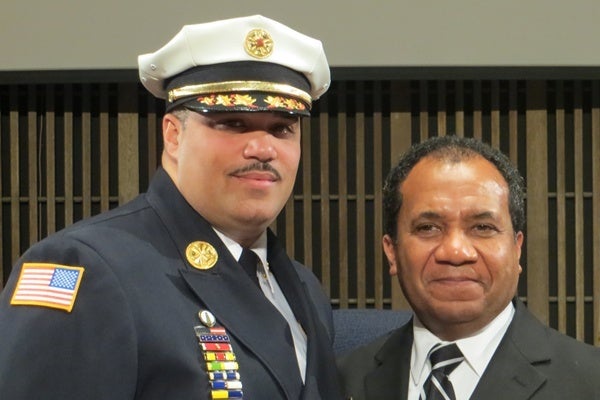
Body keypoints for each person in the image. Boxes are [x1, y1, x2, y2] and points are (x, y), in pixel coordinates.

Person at [0, 15, 342, 399]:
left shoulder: (303, 288)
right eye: (232, 123)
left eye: (282, 128)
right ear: (174, 136)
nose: (263, 149)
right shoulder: (86, 267)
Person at [337, 135, 600, 399]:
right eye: (428, 228)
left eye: (482, 228)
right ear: (391, 251)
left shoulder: (590, 381)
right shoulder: (343, 380)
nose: (455, 251)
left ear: (516, 248)